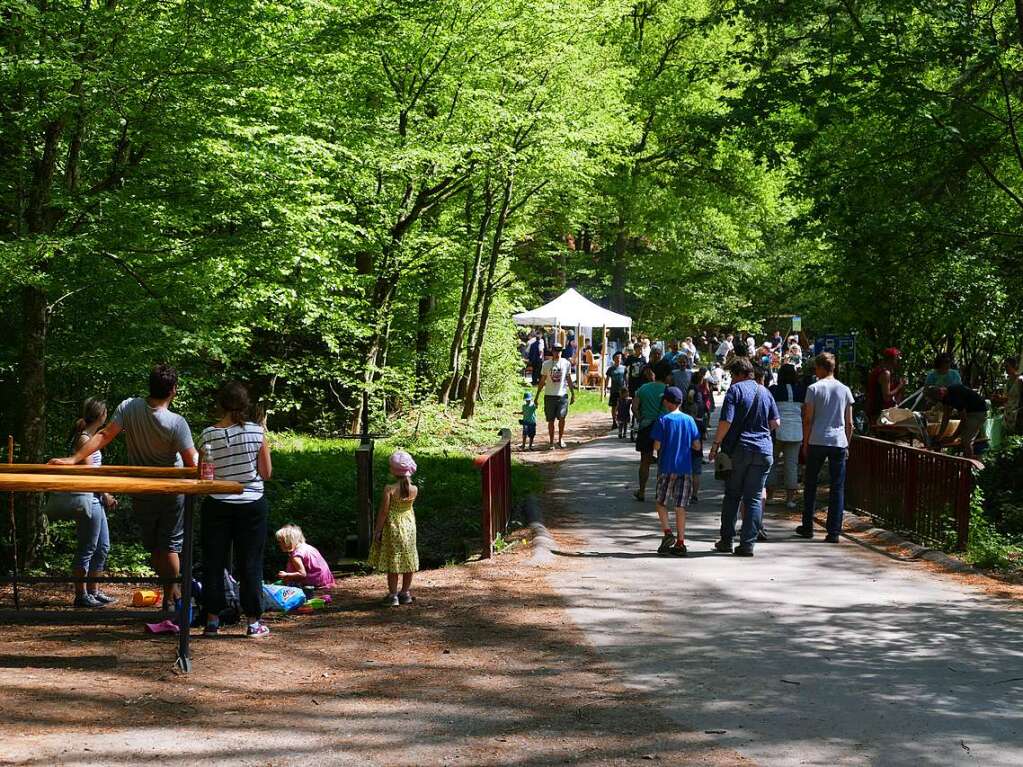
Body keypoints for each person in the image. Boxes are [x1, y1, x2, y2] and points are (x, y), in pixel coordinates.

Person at [51, 364, 197, 610]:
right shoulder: (177, 422)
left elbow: (105, 435)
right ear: (174, 389)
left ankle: (170, 598)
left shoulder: (129, 407)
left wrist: (74, 458)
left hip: (142, 491)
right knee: (169, 545)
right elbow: (192, 461)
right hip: (173, 491)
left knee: (155, 546)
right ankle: (174, 596)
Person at [199, 381, 274, 638]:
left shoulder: (208, 434)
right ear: (246, 405)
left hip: (217, 503)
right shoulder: (257, 432)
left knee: (213, 561)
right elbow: (266, 472)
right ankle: (253, 622)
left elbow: (204, 475)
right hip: (252, 504)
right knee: (250, 562)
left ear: (221, 404)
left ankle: (212, 620)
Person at [46, 398, 116, 608]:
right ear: (101, 414)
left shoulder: (92, 437)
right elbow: (89, 475)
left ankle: (93, 590)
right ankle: (81, 594)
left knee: (102, 546)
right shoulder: (85, 439)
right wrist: (106, 494)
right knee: (88, 546)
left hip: (96, 498)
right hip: (89, 498)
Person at [708, 357, 779, 556]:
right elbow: (776, 423)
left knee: (733, 495)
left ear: (738, 374)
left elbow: (726, 421)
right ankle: (748, 544)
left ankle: (727, 540)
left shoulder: (735, 390)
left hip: (740, 449)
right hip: (764, 450)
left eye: (732, 375)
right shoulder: (766, 392)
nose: (731, 379)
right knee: (754, 498)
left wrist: (716, 445)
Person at [796, 353, 854, 542]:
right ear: (834, 368)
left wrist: (805, 443)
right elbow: (849, 423)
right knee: (837, 487)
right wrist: (847, 444)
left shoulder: (813, 389)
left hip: (817, 440)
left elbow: (808, 419)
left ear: (820, 368)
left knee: (811, 484)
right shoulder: (845, 389)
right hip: (838, 441)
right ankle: (834, 531)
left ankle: (807, 526)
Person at [650, 387, 702, 556]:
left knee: (661, 501)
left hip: (666, 467)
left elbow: (657, 445)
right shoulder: (689, 420)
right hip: (684, 468)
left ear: (667, 402)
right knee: (680, 505)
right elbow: (697, 445)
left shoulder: (662, 420)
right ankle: (680, 542)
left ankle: (667, 533)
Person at [368, 450, 420, 606]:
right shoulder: (414, 489)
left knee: (394, 560)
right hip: (409, 526)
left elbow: (384, 512)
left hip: (393, 527)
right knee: (408, 558)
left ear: (393, 470)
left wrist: (377, 530)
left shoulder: (389, 489)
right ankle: (405, 593)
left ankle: (393, 596)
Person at [767, 364, 804, 510]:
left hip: (777, 431)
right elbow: (805, 412)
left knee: (771, 463)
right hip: (796, 431)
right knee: (792, 466)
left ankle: (770, 496)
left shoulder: (774, 390)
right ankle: (790, 499)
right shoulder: (801, 391)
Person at [633, 365, 668, 501]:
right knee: (662, 461)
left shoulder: (643, 388)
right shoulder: (667, 390)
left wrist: (640, 418)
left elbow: (635, 407)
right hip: (663, 427)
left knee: (645, 461)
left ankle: (641, 491)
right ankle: (660, 492)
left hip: (646, 427)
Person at [536, 343, 577, 449]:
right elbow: (542, 381)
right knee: (550, 420)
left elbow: (568, 378)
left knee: (562, 417)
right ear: (552, 351)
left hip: (562, 395)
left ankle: (560, 439)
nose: (557, 352)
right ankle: (551, 442)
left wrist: (573, 393)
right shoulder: (546, 364)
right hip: (549, 395)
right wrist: (537, 396)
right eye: (556, 350)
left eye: (559, 350)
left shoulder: (566, 363)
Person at [933, 383, 988, 459]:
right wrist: (939, 436)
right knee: (963, 439)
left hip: (978, 412)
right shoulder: (945, 396)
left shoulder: (955, 396)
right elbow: (945, 417)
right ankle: (969, 460)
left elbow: (963, 420)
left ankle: (968, 466)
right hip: (969, 412)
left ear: (941, 393)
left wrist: (952, 437)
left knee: (966, 440)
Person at [276, 524, 335, 589]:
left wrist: (286, 574)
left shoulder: (296, 555)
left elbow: (302, 574)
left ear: (287, 541)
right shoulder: (308, 547)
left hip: (315, 582)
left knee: (285, 582)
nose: (279, 544)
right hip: (325, 580)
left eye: (280, 542)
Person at [687, 368, 714, 503]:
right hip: (697, 449)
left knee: (686, 472)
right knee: (696, 472)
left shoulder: (691, 390)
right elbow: (704, 436)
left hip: (685, 449)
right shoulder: (698, 390)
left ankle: (685, 493)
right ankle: (694, 495)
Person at [866, 348, 904, 423]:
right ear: (891, 360)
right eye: (897, 359)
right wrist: (900, 386)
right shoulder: (885, 373)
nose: (898, 362)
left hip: (875, 410)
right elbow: (886, 397)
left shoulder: (878, 370)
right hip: (879, 413)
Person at [605, 352, 628, 430]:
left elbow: (626, 379)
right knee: (614, 406)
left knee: (622, 406)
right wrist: (605, 388)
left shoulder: (624, 368)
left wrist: (627, 387)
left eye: (620, 358)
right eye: (617, 358)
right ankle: (614, 422)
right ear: (614, 359)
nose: (618, 359)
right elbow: (607, 379)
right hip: (614, 390)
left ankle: (622, 420)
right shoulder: (611, 369)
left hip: (622, 391)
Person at [1001, 357, 1023, 436]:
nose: (1005, 369)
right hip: (1008, 414)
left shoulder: (1020, 380)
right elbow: (1006, 398)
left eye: (1007, 366)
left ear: (1013, 366)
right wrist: (999, 399)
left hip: (1018, 415)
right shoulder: (1008, 381)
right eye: (1004, 367)